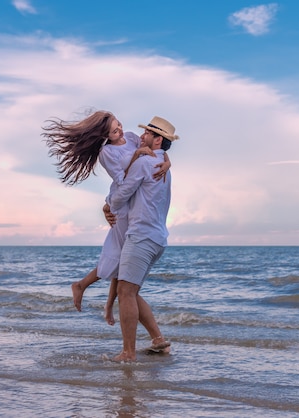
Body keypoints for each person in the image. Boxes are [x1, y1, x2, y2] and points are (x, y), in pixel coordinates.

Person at [41, 110, 170, 325]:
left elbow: (157, 146)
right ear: (105, 135)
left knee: (121, 261)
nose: (120, 130)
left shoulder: (130, 137)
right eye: (113, 130)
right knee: (118, 258)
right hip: (123, 203)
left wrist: (167, 161)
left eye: (118, 124)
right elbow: (122, 179)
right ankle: (87, 290)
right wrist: (137, 158)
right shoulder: (107, 153)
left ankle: (102, 301)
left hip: (132, 202)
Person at [108, 116, 179, 362]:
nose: (142, 136)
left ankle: (128, 353)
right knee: (130, 290)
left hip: (141, 236)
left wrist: (108, 203)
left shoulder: (145, 162)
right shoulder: (163, 165)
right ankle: (158, 341)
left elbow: (119, 198)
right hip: (157, 238)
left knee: (125, 292)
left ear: (158, 139)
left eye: (148, 133)